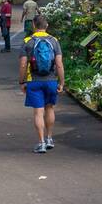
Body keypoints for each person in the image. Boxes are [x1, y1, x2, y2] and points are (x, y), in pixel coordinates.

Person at [18, 15, 64, 153]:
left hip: (34, 81)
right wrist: (61, 82)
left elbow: (23, 64)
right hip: (50, 80)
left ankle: (41, 142)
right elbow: (59, 64)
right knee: (49, 108)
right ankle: (50, 138)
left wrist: (22, 81)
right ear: (47, 26)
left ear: (33, 25)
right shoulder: (54, 41)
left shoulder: (28, 41)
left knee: (38, 112)